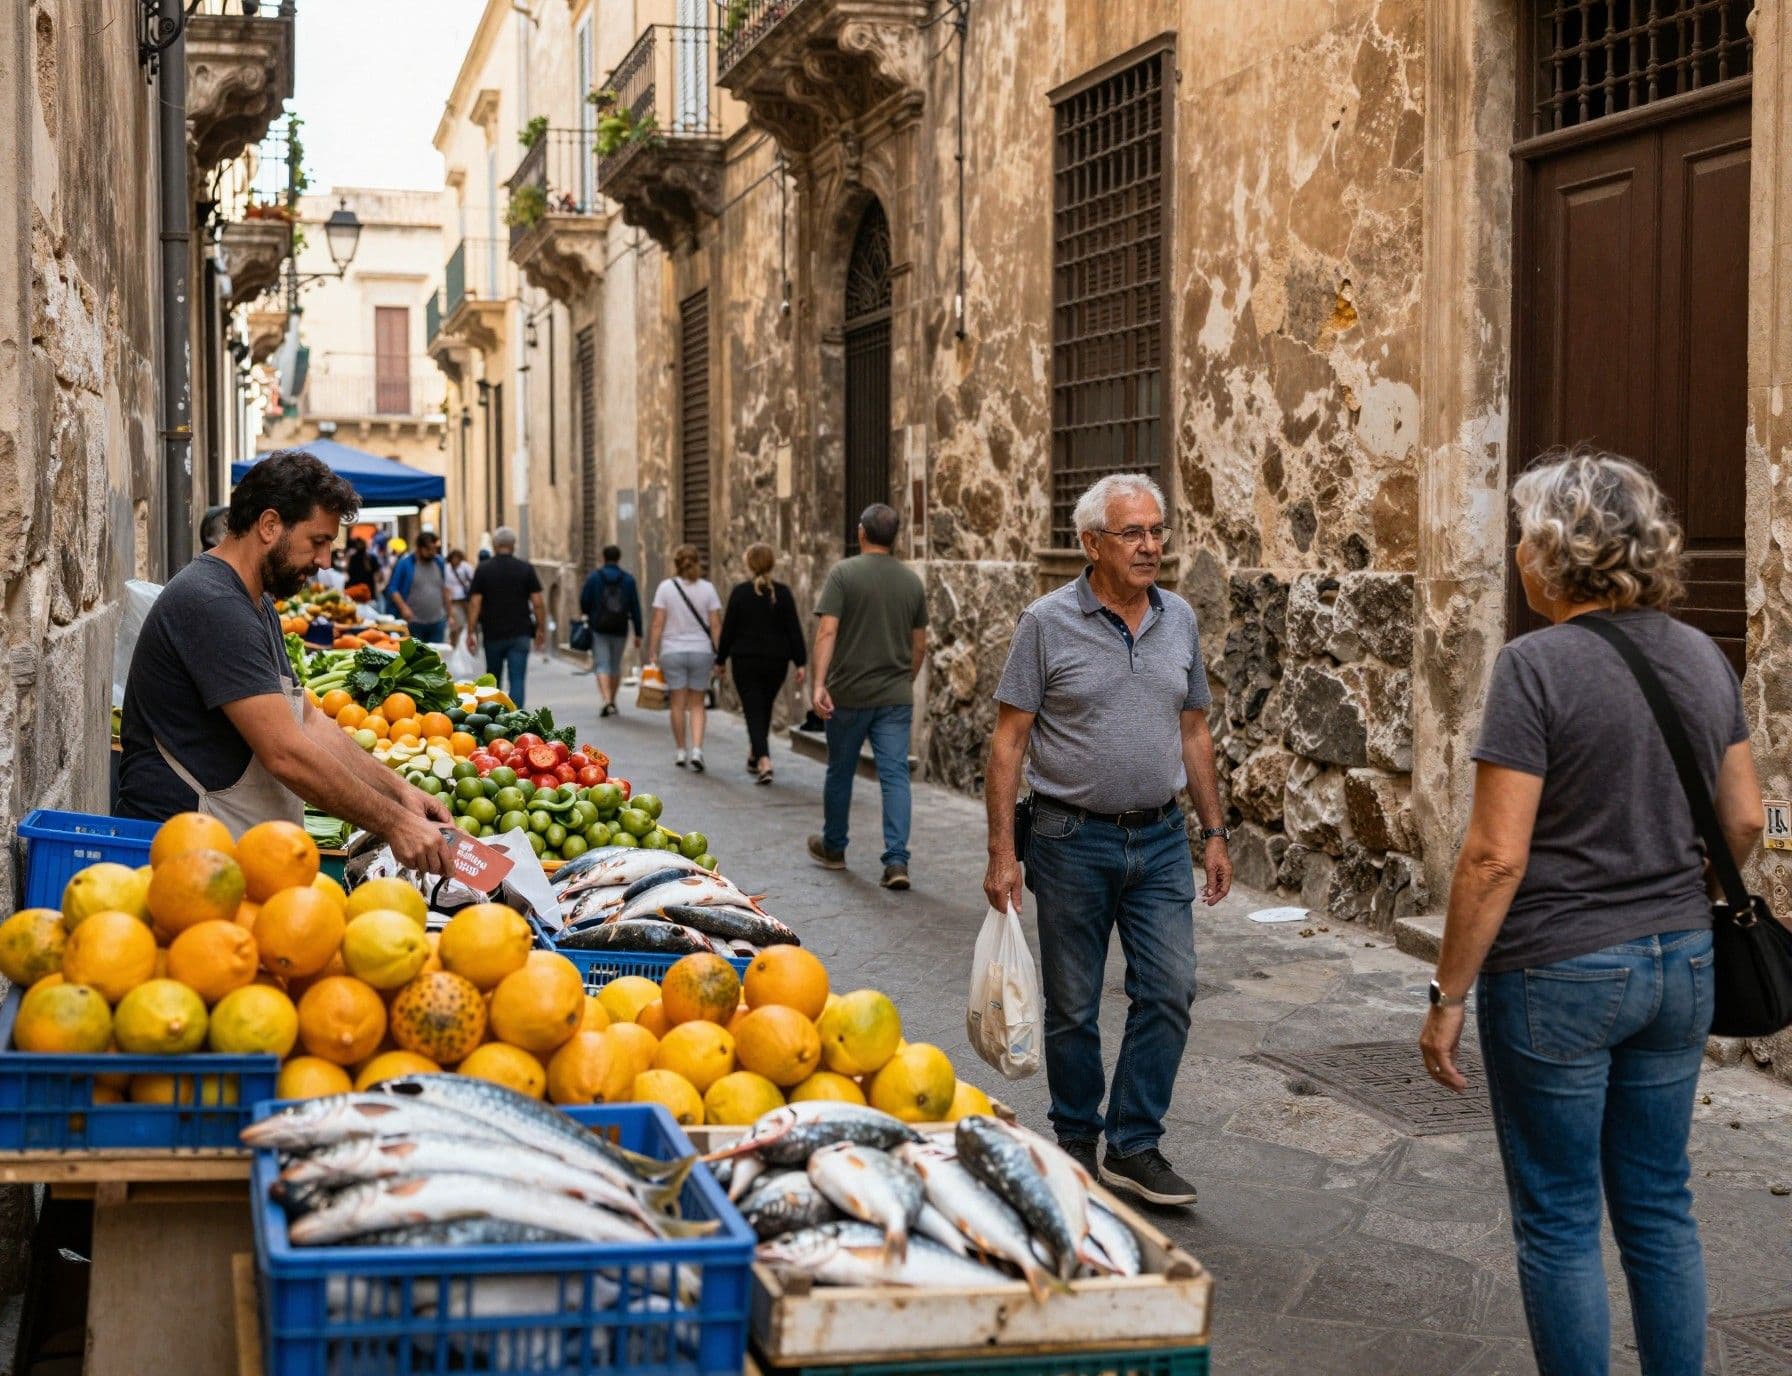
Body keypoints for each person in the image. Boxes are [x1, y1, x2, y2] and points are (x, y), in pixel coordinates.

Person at [1419, 451, 1764, 1375]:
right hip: (1683, 965)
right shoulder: (1701, 655)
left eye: (1523, 539)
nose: (1518, 557)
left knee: (1561, 1217)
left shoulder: (1533, 667)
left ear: (1556, 551)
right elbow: (1745, 815)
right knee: (1658, 1203)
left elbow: (1495, 854)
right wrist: (1689, 882)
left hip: (1559, 973)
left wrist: (1448, 993)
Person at [983, 473, 1231, 1206]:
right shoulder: (1046, 622)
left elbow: (1194, 731)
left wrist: (1213, 831)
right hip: (1067, 838)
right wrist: (1002, 852)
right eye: (1134, 533)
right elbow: (1007, 745)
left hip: (1158, 840)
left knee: (1171, 990)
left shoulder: (1178, 618)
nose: (1152, 546)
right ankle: (1077, 1142)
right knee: (1073, 1005)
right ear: (1091, 544)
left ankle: (1134, 1142)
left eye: (1157, 531)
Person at [116, 450, 456, 872]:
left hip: (230, 851)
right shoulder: (213, 603)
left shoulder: (254, 601)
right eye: (318, 541)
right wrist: (394, 824)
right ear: (270, 524)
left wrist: (399, 792)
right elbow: (284, 752)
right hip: (186, 859)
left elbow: (309, 722)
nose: (325, 562)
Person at [807, 504, 927, 890]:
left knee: (840, 770)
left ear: (861, 532)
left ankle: (834, 847)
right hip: (894, 696)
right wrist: (902, 680)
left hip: (848, 694)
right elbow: (920, 645)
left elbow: (827, 632)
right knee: (895, 777)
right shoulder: (911, 583)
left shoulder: (843, 574)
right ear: (896, 537)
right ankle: (896, 861)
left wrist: (818, 684)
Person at [717, 543, 807, 784]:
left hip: (745, 660)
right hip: (776, 662)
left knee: (753, 709)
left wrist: (720, 659)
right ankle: (754, 752)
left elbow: (728, 630)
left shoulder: (740, 593)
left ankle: (764, 759)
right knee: (763, 707)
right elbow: (793, 630)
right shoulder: (783, 593)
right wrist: (800, 662)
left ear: (749, 564)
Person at [646, 544, 723, 771]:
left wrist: (653, 649)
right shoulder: (708, 589)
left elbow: (658, 622)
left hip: (672, 651)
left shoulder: (665, 588)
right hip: (701, 652)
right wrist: (719, 654)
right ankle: (697, 750)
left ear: (676, 563)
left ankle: (681, 751)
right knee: (698, 704)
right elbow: (716, 625)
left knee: (677, 704)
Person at [465, 526, 545, 707]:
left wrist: (471, 631)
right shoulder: (525, 568)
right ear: (514, 545)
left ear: (494, 545)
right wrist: (540, 628)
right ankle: (516, 719)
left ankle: (496, 719)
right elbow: (538, 602)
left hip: (493, 633)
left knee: (493, 681)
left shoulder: (484, 570)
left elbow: (475, 603)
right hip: (521, 632)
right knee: (517, 679)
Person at [579, 545, 644, 718]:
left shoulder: (594, 578)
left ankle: (606, 700)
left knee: (602, 664)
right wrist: (638, 632)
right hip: (620, 628)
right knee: (615, 665)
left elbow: (584, 600)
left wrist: (588, 615)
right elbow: (635, 607)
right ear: (619, 558)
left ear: (603, 557)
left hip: (599, 627)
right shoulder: (628, 580)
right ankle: (613, 700)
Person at [387, 531, 450, 643]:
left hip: (437, 621)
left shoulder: (439, 562)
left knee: (435, 656)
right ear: (420, 548)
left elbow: (443, 588)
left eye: (435, 549)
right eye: (430, 549)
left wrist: (449, 613)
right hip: (414, 622)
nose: (433, 553)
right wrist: (404, 608)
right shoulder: (405, 564)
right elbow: (392, 589)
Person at [445, 547, 475, 636]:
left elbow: (472, 579)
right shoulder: (447, 568)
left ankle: (470, 631)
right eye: (454, 558)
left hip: (465, 597)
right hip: (452, 598)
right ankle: (455, 637)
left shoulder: (465, 567)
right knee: (455, 621)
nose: (455, 560)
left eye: (457, 558)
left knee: (469, 617)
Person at [344, 537, 380, 601]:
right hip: (369, 593)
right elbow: (377, 577)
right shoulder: (372, 558)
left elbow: (347, 573)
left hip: (355, 593)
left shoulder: (353, 558)